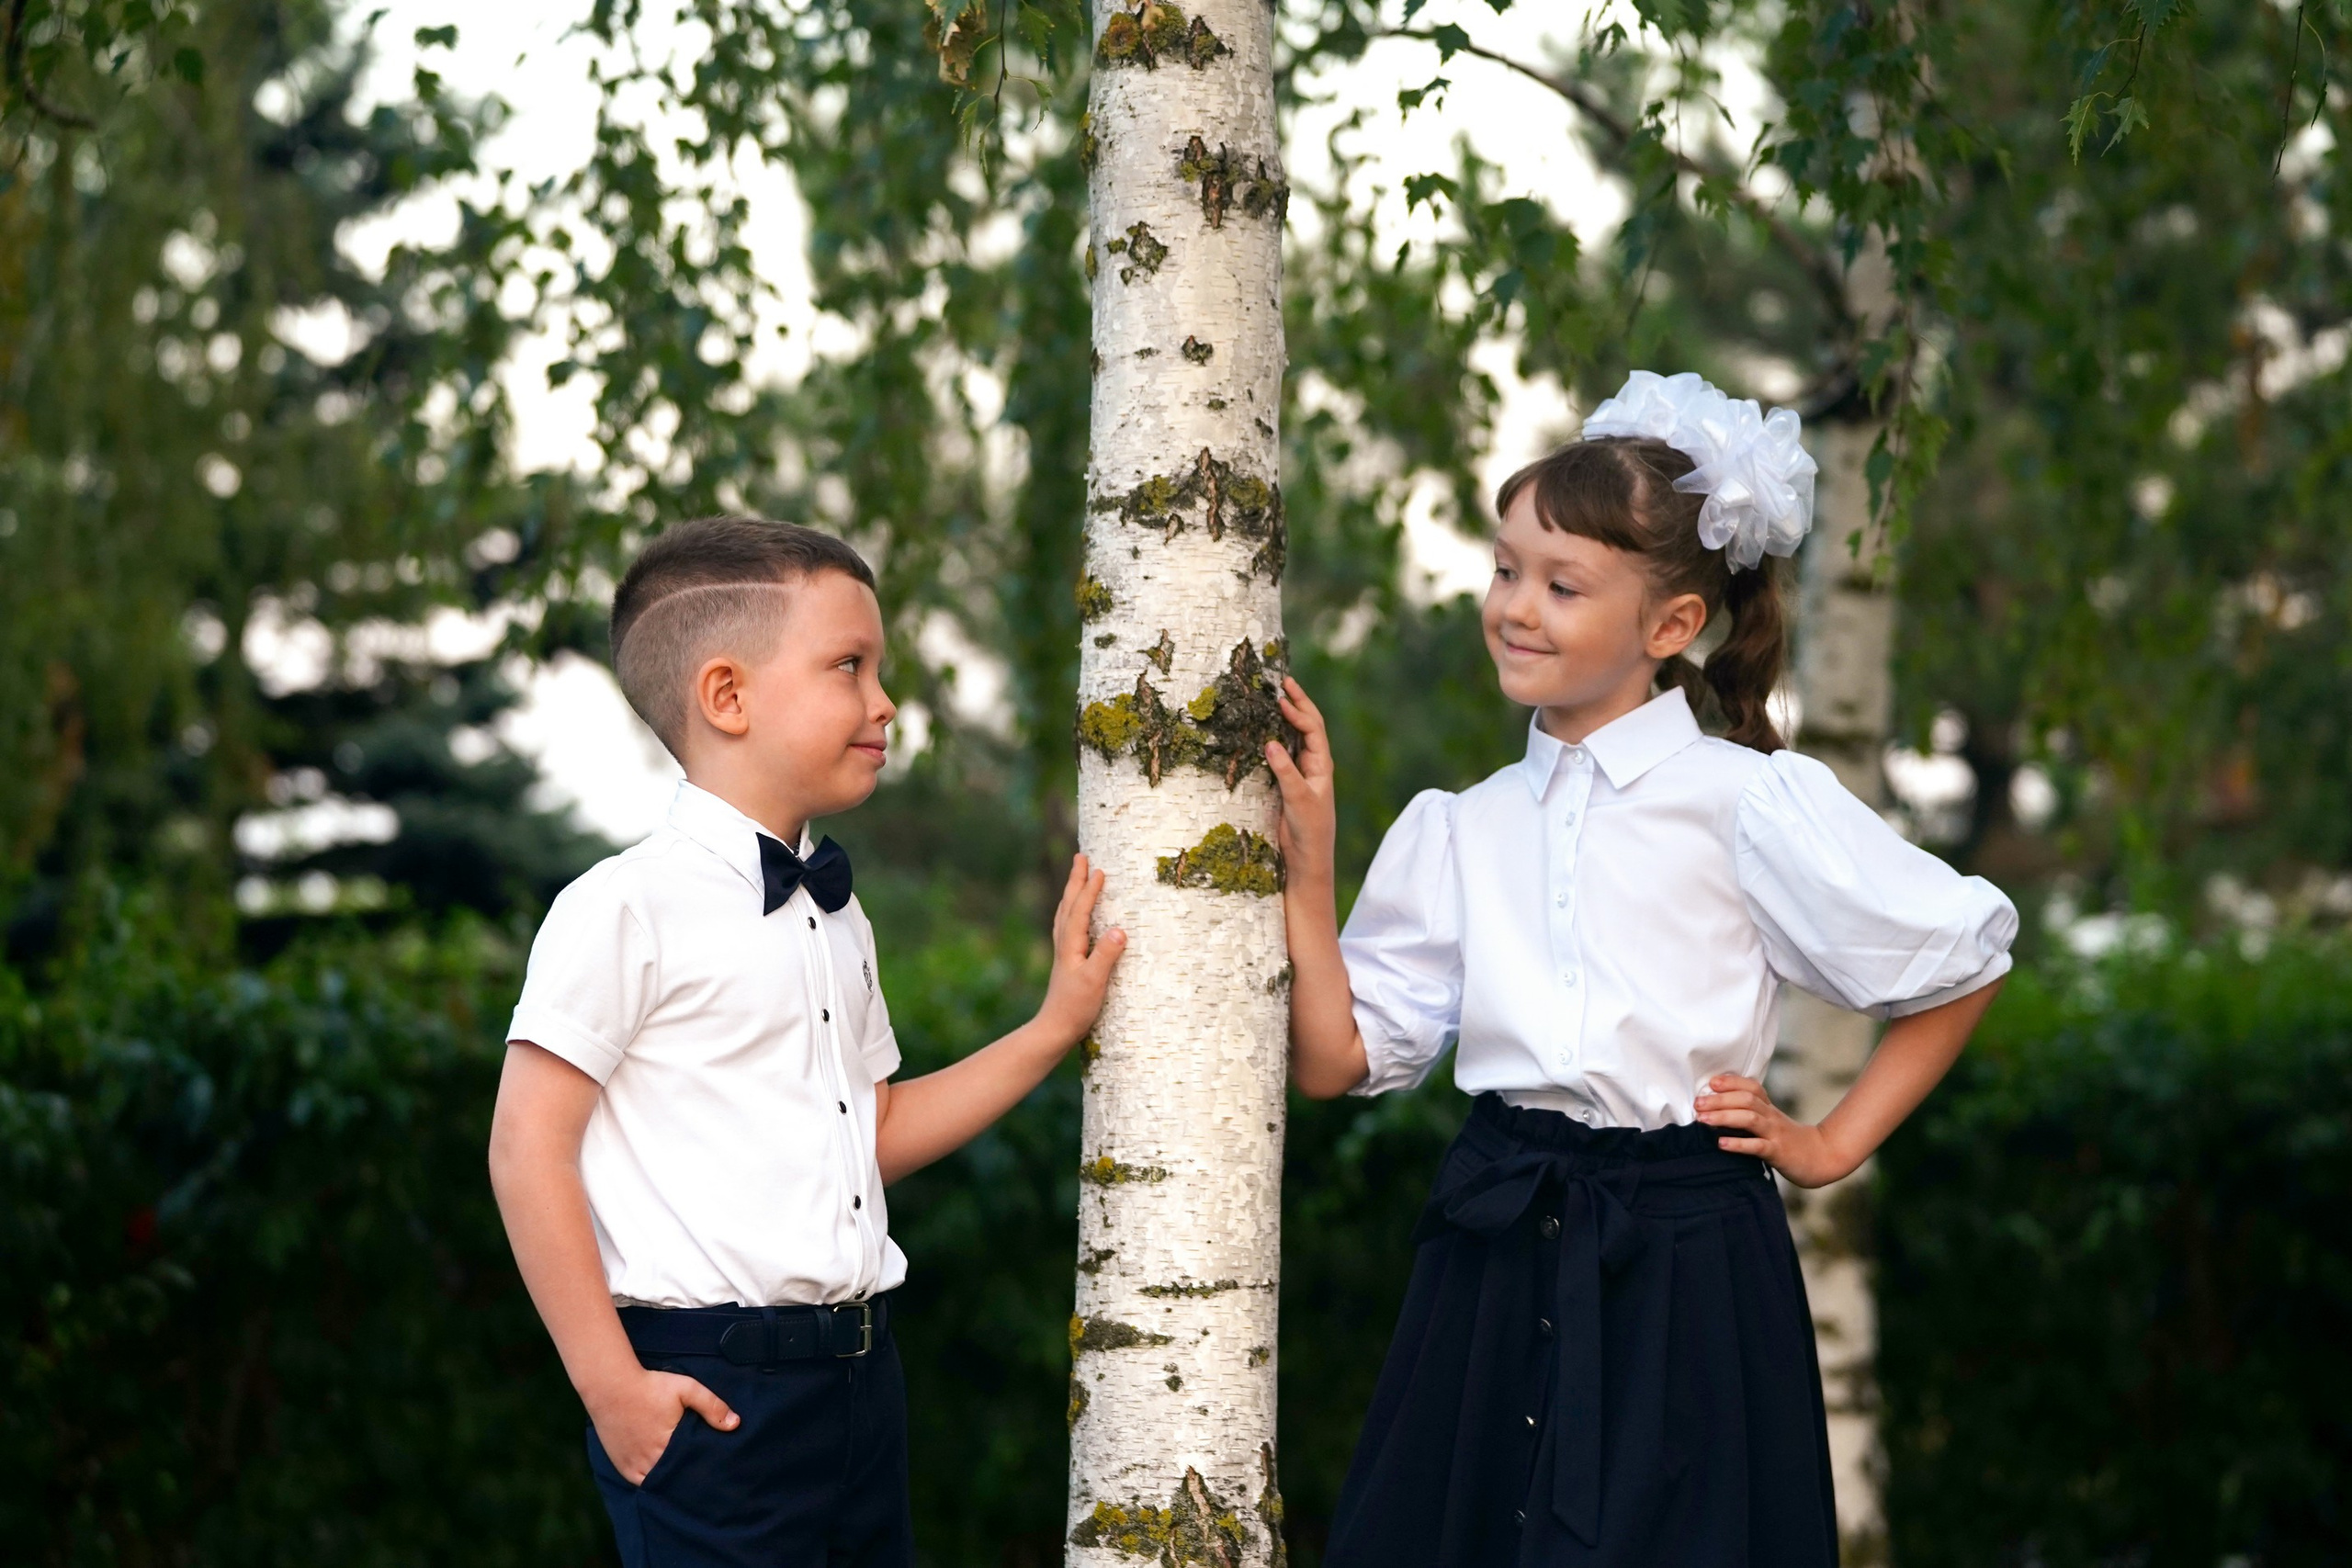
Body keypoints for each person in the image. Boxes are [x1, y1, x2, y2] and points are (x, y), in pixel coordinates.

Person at [1264, 372, 2018, 1568]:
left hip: (1686, 1270)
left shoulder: (1745, 801)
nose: (1517, 606)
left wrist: (1831, 1143)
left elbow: (1965, 953)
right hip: (1492, 1259)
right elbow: (1334, 1058)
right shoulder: (1462, 825)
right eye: (1507, 567)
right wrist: (1308, 873)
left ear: (1670, 626)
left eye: (1564, 585)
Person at [487, 516, 1125, 1568]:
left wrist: (1054, 1026)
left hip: (861, 1385)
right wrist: (613, 1390)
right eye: (849, 667)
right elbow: (526, 1149)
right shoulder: (621, 907)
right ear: (727, 696)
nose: (884, 704)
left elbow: (872, 1129)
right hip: (712, 1398)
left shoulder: (839, 913)